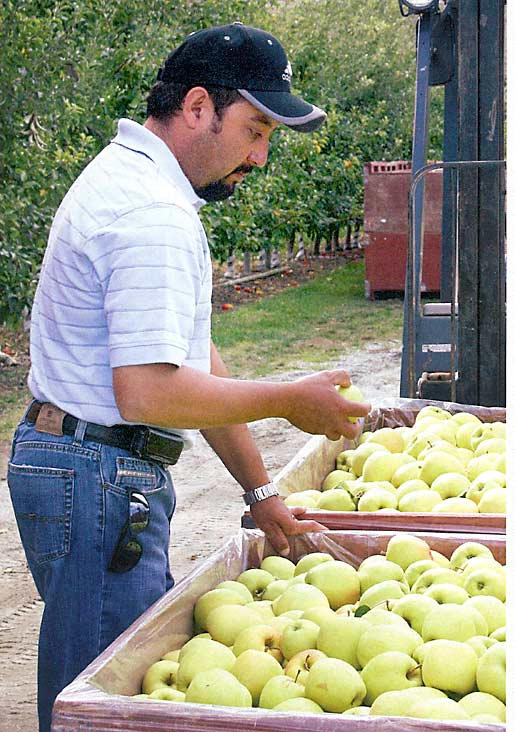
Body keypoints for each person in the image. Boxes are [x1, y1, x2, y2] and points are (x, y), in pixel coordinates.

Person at [6, 23, 371, 732]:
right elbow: (148, 392)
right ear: (199, 106)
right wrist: (290, 401)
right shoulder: (154, 215)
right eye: (255, 130)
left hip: (88, 462)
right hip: (100, 472)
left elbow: (194, 360)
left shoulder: (137, 181)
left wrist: (261, 491)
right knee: (107, 706)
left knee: (101, 679)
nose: (260, 157)